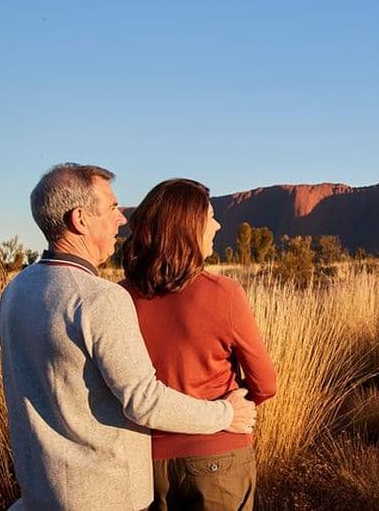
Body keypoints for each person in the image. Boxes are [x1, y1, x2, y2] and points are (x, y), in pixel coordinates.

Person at [0, 164, 257, 511]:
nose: (121, 219)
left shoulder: (16, 291)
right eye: (112, 207)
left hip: (41, 493)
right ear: (80, 219)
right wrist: (225, 414)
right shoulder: (99, 298)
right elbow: (144, 400)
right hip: (104, 495)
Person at [119, 178, 276, 511]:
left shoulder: (119, 298)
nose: (217, 226)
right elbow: (266, 383)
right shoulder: (224, 293)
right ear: (188, 228)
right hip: (218, 456)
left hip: (147, 464)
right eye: (211, 218)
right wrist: (236, 409)